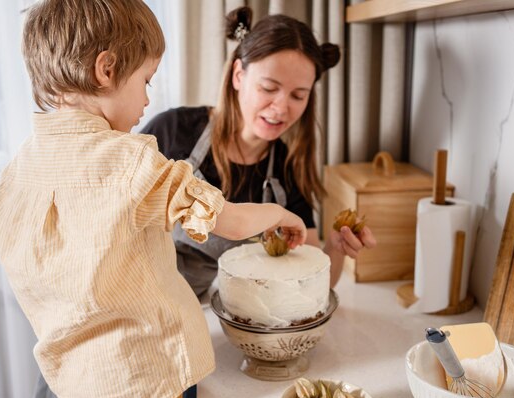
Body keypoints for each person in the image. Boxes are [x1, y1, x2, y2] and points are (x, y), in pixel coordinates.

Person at [0, 1, 307, 398]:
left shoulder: (19, 169)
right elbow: (230, 219)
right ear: (107, 69)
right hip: (149, 378)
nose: (146, 100)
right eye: (146, 80)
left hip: (80, 387)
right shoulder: (132, 161)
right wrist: (283, 216)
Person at [141, 6, 376, 297]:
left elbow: (313, 279)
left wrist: (337, 247)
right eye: (268, 88)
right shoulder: (172, 131)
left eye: (298, 96)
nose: (281, 108)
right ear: (239, 75)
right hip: (142, 301)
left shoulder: (287, 168)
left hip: (217, 314)